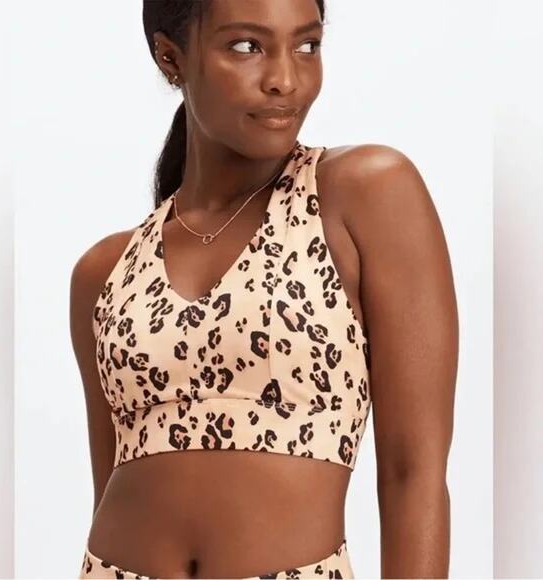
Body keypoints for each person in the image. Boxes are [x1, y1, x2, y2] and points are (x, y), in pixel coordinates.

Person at [70, 0, 458, 578]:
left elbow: (414, 474)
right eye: (247, 46)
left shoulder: (365, 194)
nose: (284, 79)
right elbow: (112, 479)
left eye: (307, 45)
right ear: (170, 58)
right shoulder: (104, 271)